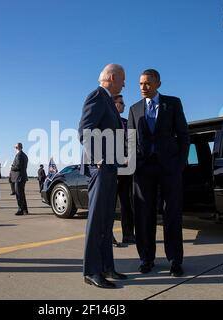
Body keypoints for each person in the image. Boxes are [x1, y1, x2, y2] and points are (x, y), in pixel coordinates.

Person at [128, 69, 189, 277]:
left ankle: (175, 260)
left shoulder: (173, 103)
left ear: (158, 84)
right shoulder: (134, 109)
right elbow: (130, 140)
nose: (143, 88)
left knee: (172, 214)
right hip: (143, 170)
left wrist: (179, 164)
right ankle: (146, 258)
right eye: (140, 84)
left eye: (147, 83)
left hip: (169, 168)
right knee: (144, 215)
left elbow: (183, 135)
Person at [78, 64, 128, 289]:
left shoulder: (108, 100)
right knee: (97, 220)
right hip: (101, 168)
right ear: (112, 77)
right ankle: (91, 271)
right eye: (123, 79)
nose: (124, 84)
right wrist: (98, 158)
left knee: (107, 221)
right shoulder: (97, 96)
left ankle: (107, 266)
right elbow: (85, 129)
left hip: (111, 167)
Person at [113, 94, 135, 245]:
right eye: (121, 103)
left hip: (126, 170)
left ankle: (128, 234)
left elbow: (132, 142)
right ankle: (107, 235)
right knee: (109, 205)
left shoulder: (127, 123)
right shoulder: (105, 122)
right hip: (111, 169)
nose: (124, 106)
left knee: (127, 203)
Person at [11, 143, 28, 215]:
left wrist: (12, 167)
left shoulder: (19, 155)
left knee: (19, 195)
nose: (15, 149)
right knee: (22, 194)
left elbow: (18, 167)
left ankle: (20, 209)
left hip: (18, 178)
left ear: (17, 148)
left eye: (15, 147)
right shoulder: (24, 155)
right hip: (22, 177)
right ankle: (25, 210)